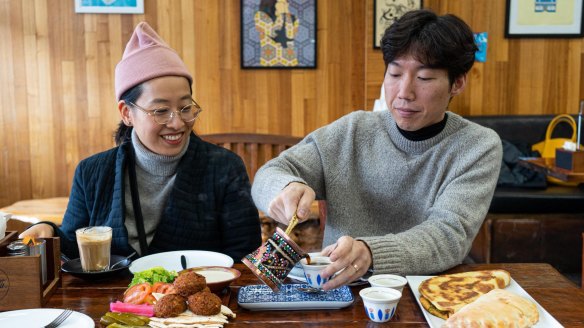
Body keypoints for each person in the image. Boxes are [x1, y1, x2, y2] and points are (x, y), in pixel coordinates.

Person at [251, 9, 502, 290]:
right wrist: (286, 187)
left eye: (425, 78)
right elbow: (269, 173)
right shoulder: (352, 131)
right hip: (340, 293)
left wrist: (370, 252)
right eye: (394, 73)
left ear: (457, 83)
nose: (404, 92)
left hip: (429, 295)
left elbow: (448, 236)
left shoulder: (477, 145)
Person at [21, 22, 262, 262]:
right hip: (114, 300)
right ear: (126, 113)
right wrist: (49, 230)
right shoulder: (91, 172)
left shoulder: (224, 167)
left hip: (198, 297)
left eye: (186, 107)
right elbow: (75, 249)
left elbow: (246, 255)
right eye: (160, 111)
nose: (177, 123)